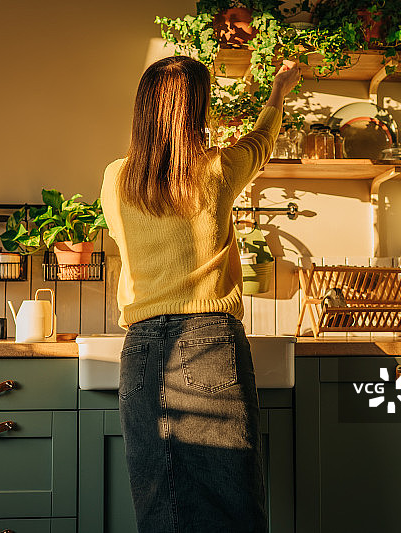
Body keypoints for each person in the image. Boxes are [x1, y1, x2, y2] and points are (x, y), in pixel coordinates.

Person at [100, 56, 302, 533]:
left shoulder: (116, 178)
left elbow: (126, 245)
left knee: (158, 504)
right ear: (198, 111)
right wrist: (278, 92)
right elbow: (262, 142)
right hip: (210, 341)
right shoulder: (218, 168)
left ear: (143, 110)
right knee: (230, 502)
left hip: (143, 348)